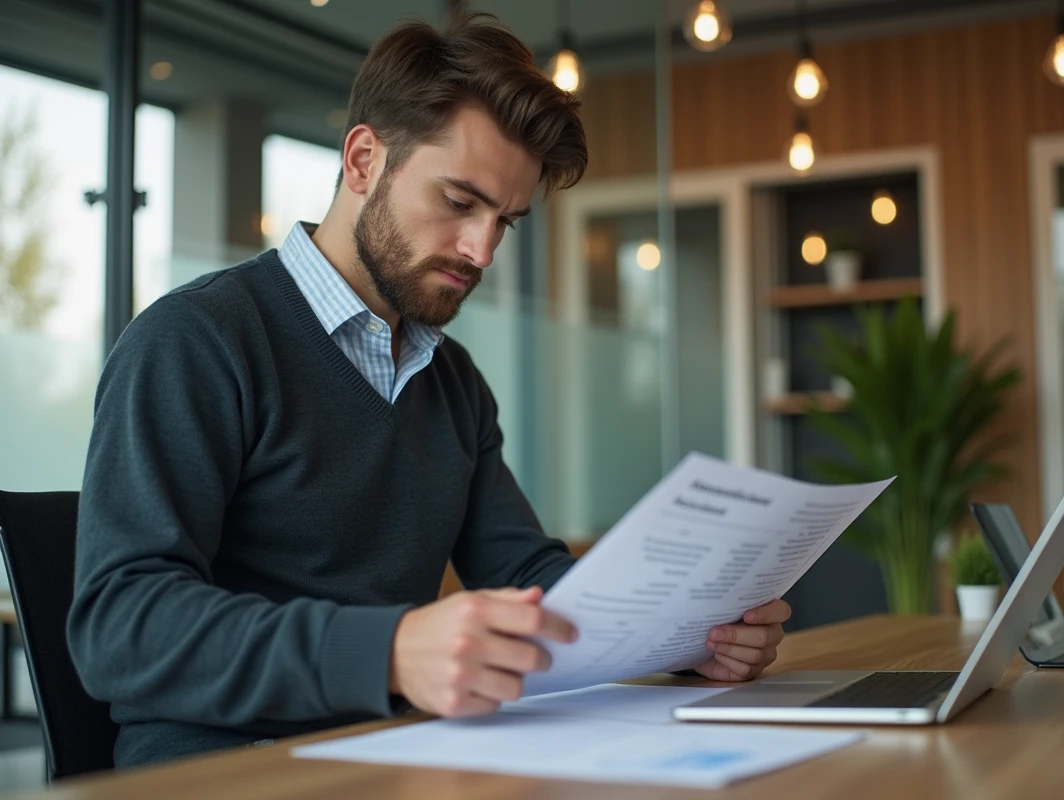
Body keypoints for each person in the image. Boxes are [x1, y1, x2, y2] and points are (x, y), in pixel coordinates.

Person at [68, 13, 790, 768]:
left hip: (399, 753)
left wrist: (684, 631)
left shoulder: (451, 383)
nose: (481, 250)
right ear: (362, 160)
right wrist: (391, 651)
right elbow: (120, 627)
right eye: (458, 201)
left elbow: (528, 577)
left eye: (504, 222)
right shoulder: (197, 341)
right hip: (225, 772)